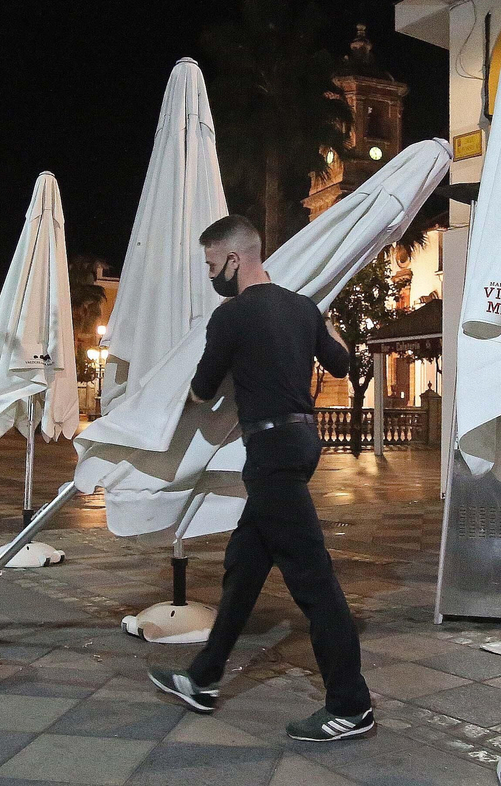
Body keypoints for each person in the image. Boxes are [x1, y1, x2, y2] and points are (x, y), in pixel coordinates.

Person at [149, 214, 374, 742]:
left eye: (211, 264)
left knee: (314, 582)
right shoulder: (302, 308)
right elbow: (341, 364)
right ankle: (203, 677)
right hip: (301, 443)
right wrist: (323, 317)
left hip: (270, 451)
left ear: (233, 259)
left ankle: (351, 704)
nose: (211, 276)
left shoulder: (231, 317)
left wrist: (150, 402)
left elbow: (201, 392)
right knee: (245, 564)